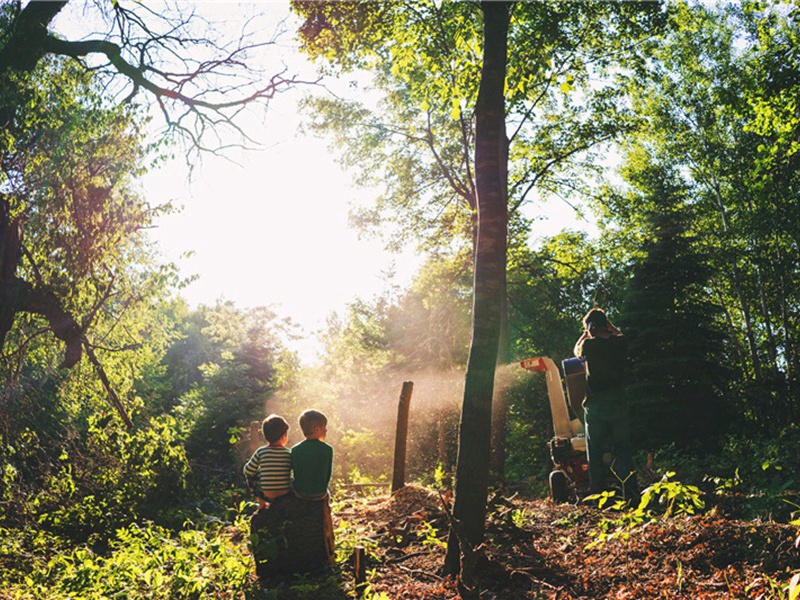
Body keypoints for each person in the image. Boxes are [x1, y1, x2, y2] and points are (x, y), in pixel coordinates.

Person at [574, 308, 639, 503]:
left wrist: (586, 334)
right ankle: (631, 495)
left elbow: (576, 351)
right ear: (607, 326)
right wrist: (611, 327)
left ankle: (598, 497)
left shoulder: (588, 345)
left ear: (591, 327)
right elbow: (622, 335)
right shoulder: (620, 343)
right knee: (623, 451)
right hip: (618, 403)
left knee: (594, 452)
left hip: (596, 407)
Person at [243, 414, 292, 509]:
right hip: (285, 495)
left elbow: (247, 471)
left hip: (266, 495)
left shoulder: (261, 452)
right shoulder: (289, 453)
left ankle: (262, 504)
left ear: (265, 436)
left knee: (250, 477)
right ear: (284, 435)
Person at [291, 409, 333, 500]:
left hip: (299, 493)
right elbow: (327, 475)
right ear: (317, 429)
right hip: (320, 494)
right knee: (327, 494)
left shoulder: (295, 450)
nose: (326, 430)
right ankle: (326, 512)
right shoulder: (328, 449)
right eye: (324, 428)